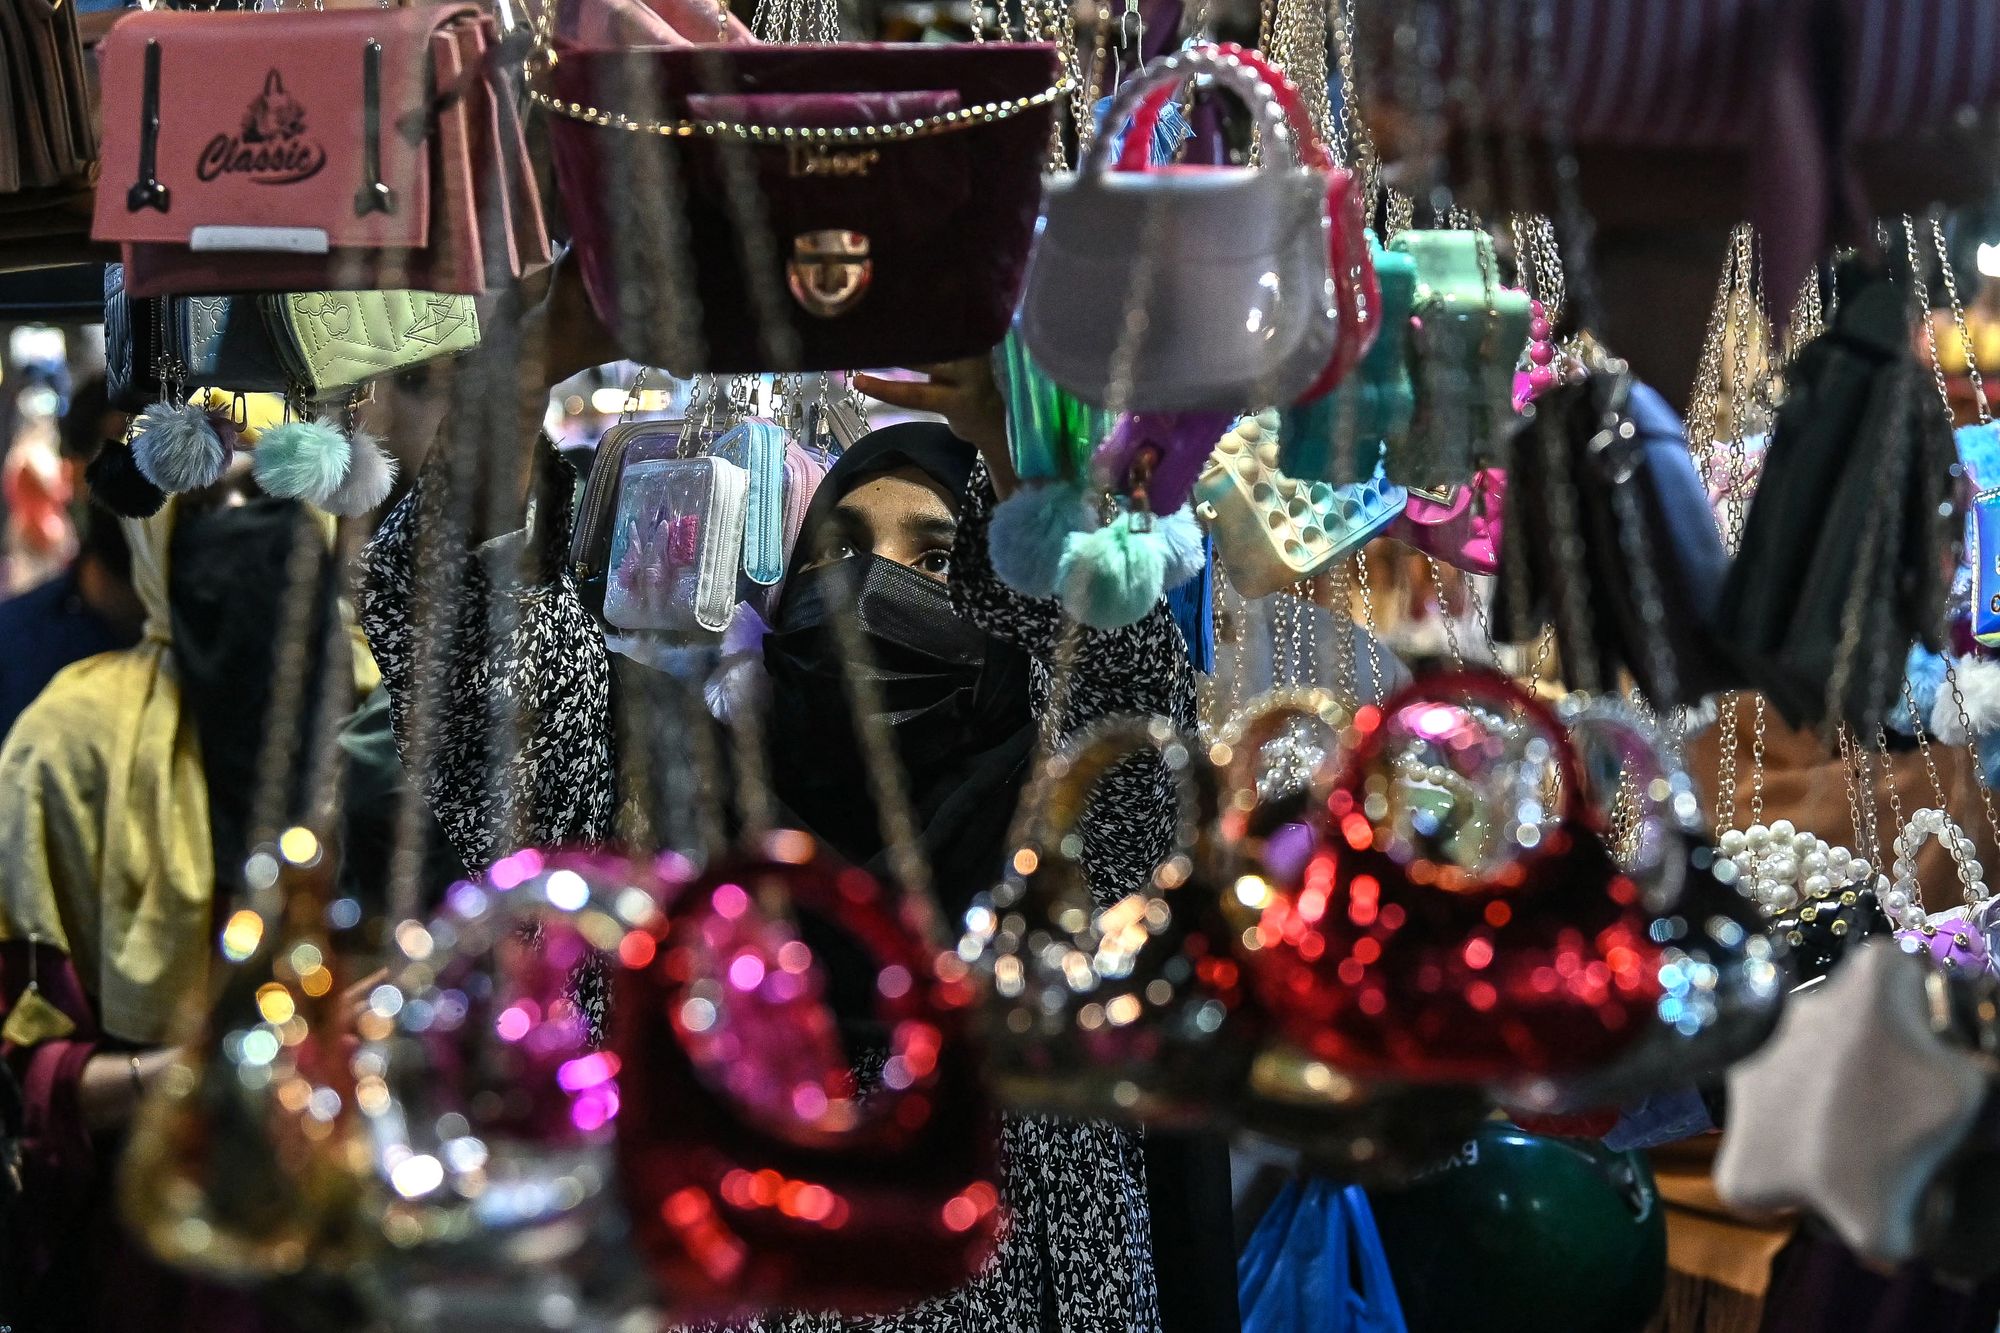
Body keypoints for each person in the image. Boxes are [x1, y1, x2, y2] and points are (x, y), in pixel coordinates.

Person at [354, 273, 1237, 1328]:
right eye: (838, 550)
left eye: (937, 555)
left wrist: (1020, 466)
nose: (872, 591)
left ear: (1000, 589)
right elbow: (459, 655)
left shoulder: (1064, 835)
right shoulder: (673, 807)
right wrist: (516, 381)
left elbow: (1126, 700)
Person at [0, 475, 382, 1332]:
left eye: (273, 491)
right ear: (151, 533)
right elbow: (23, 1068)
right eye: (207, 504)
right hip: (153, 1257)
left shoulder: (377, 709)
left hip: (361, 1239)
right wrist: (204, 1071)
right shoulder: (68, 744)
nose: (247, 525)